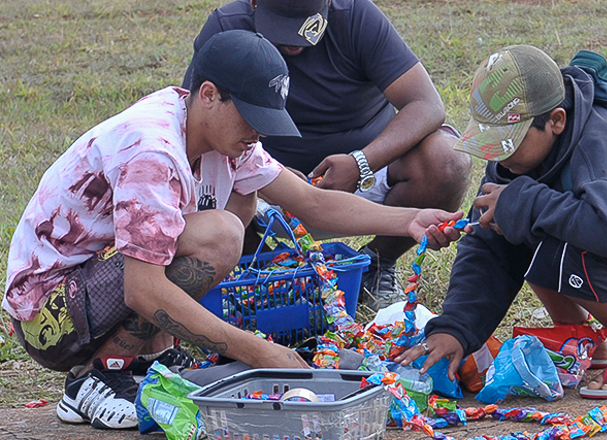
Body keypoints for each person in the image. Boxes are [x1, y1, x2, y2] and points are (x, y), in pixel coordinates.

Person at [3, 30, 464, 430]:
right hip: (49, 316)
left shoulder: (221, 136)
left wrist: (408, 218)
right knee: (221, 233)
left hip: (94, 287)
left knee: (238, 206)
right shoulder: (153, 151)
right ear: (208, 95)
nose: (258, 133)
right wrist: (259, 352)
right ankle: (95, 377)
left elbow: (313, 204)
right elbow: (143, 288)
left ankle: (148, 358)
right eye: (251, 117)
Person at [396, 45, 607, 399]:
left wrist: (523, 203)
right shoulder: (514, 159)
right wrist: (456, 330)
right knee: (516, 217)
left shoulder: (606, 137)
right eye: (492, 142)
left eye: (509, 142)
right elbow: (487, 244)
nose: (500, 155)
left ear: (556, 120)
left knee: (539, 218)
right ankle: (583, 337)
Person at [183, 0, 473, 311]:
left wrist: (361, 162)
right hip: (265, 185)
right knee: (219, 183)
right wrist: (270, 174)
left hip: (359, 174)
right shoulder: (227, 29)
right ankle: (265, 277)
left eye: (306, 23)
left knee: (448, 161)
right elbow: (197, 127)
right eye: (281, 24)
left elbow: (427, 105)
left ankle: (377, 265)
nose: (294, 41)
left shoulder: (356, 17)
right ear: (254, 2)